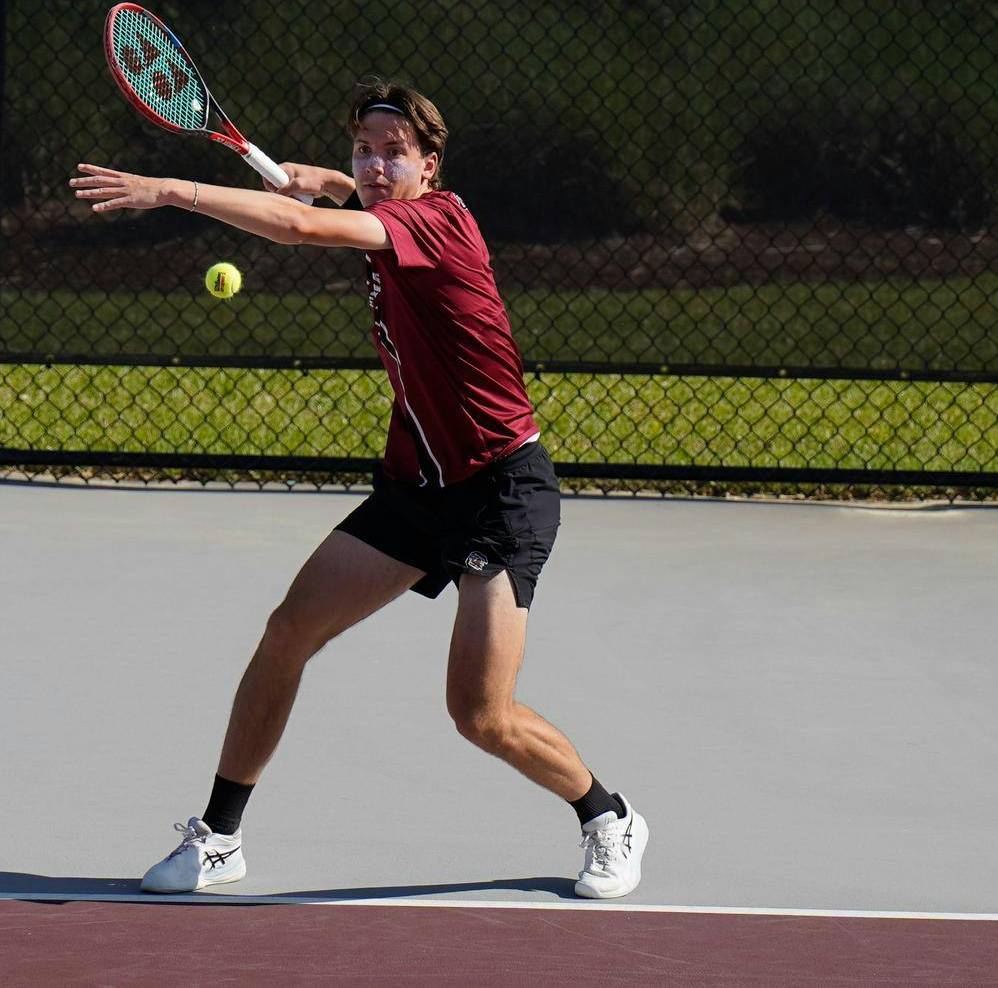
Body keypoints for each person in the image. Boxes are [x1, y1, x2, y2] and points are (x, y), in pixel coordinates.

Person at [69, 78, 648, 900]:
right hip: (419, 484)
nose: (375, 165)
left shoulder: (440, 222)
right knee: (287, 631)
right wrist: (331, 178)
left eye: (394, 152)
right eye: (363, 150)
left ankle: (609, 814)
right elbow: (340, 203)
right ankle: (220, 839)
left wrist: (169, 190)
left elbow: (306, 227)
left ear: (431, 165)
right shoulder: (390, 208)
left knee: (479, 713)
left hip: (500, 489)